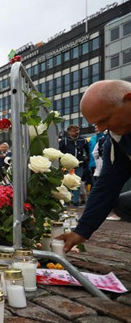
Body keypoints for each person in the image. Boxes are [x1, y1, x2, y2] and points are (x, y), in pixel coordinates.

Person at [58, 80, 131, 252]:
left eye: (105, 120)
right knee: (122, 204)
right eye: (96, 124)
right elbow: (107, 186)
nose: (102, 129)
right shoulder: (116, 139)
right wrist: (81, 231)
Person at [59, 125, 90, 205]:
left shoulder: (82, 140)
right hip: (67, 165)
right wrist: (62, 162)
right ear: (69, 132)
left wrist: (86, 158)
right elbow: (60, 152)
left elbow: (87, 150)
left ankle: (75, 200)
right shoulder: (64, 141)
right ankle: (66, 200)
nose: (76, 132)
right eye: (73, 131)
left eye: (77, 130)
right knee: (66, 182)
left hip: (79, 165)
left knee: (77, 182)